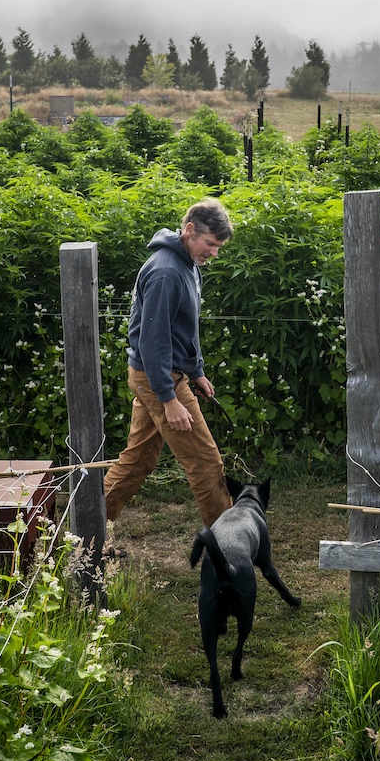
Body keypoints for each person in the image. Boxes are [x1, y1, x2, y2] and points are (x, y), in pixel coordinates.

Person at [103, 198, 233, 526]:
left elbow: (182, 328)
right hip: (157, 378)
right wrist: (169, 399)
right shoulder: (165, 272)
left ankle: (86, 532)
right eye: (210, 244)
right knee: (205, 464)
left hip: (161, 374)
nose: (214, 253)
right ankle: (230, 551)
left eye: (218, 246)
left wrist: (196, 371)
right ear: (189, 230)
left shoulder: (187, 265)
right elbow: (153, 341)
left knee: (138, 460)